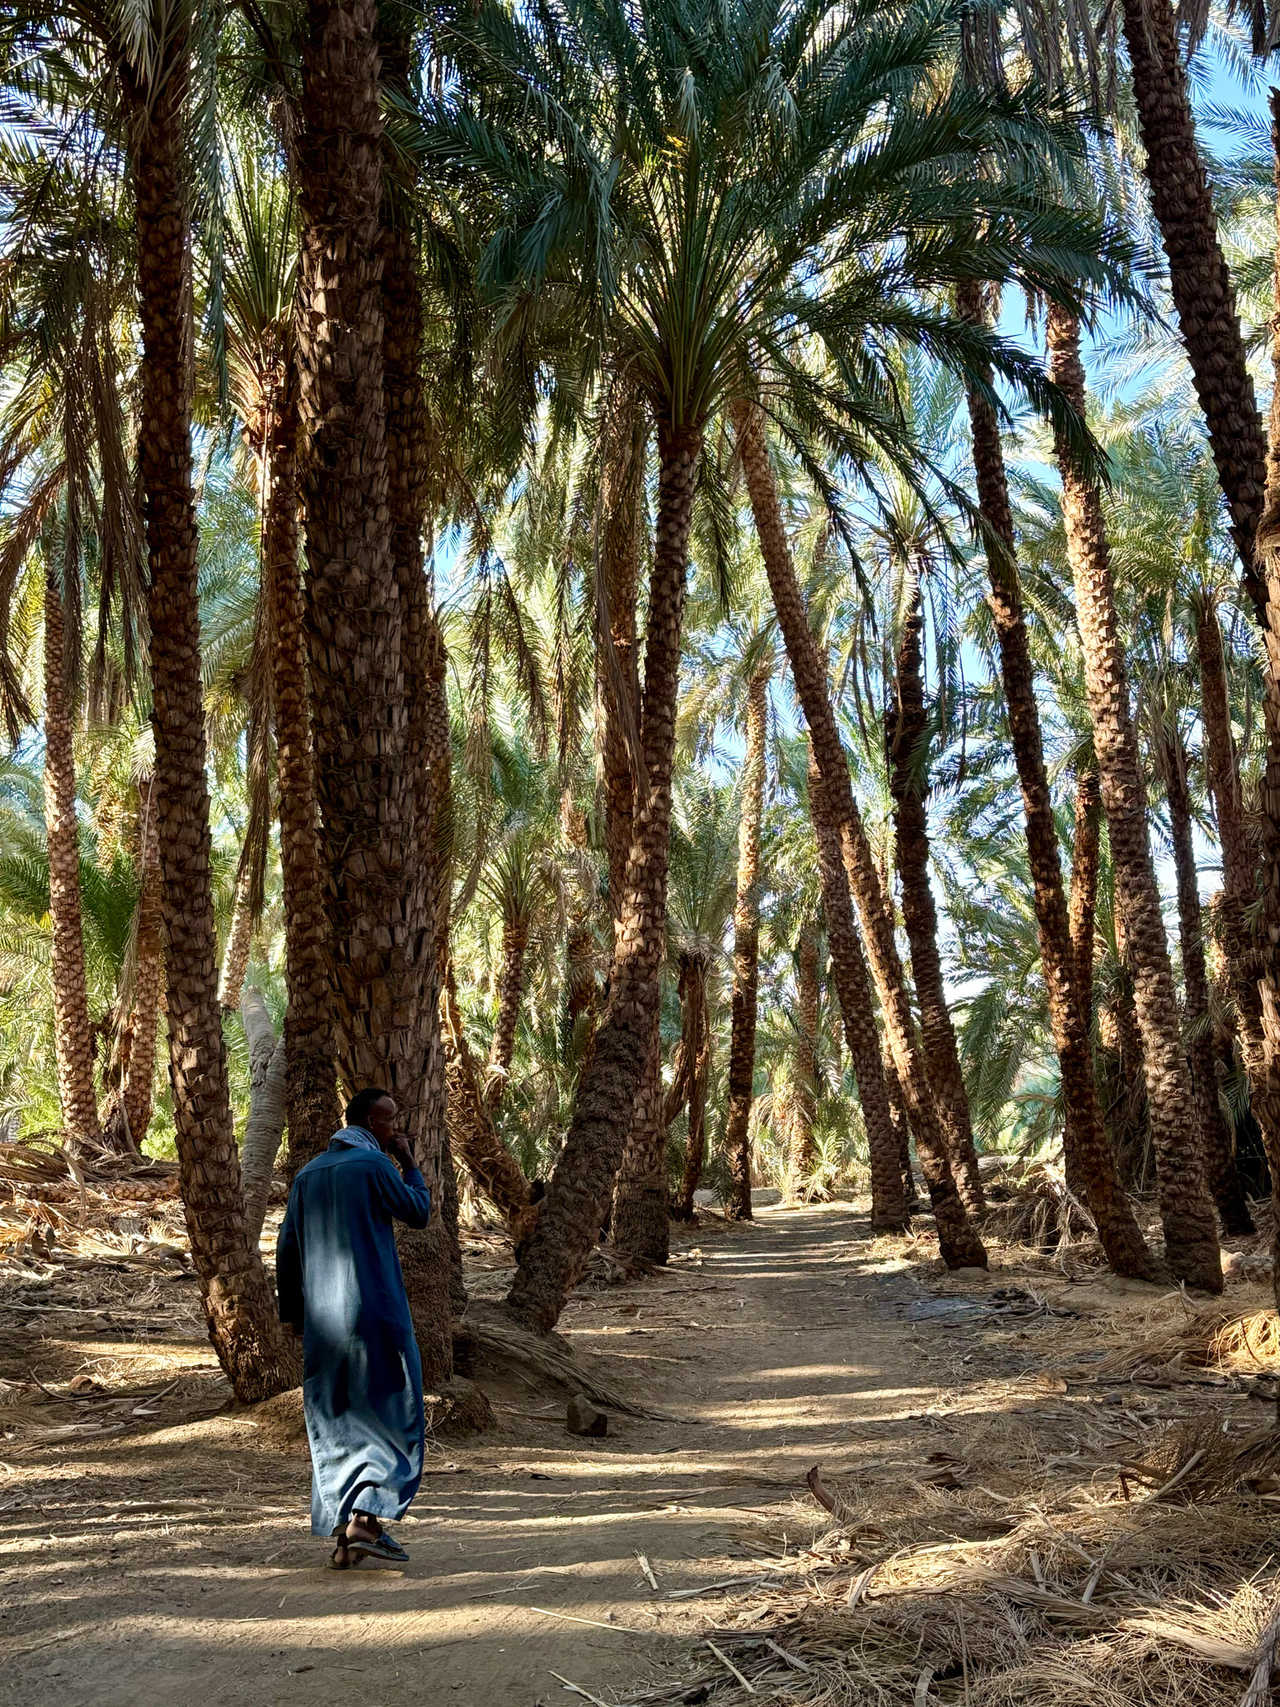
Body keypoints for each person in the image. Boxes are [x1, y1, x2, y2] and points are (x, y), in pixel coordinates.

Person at [276, 1087, 432, 1569]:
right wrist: (409, 1162)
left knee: (336, 1419)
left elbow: (287, 1248)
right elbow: (418, 1212)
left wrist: (294, 1316)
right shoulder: (374, 1165)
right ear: (368, 1122)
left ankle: (344, 1538)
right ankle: (366, 1519)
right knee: (390, 1411)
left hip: (324, 1324)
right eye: (389, 1121)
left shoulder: (308, 1174)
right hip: (376, 1313)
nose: (395, 1129)